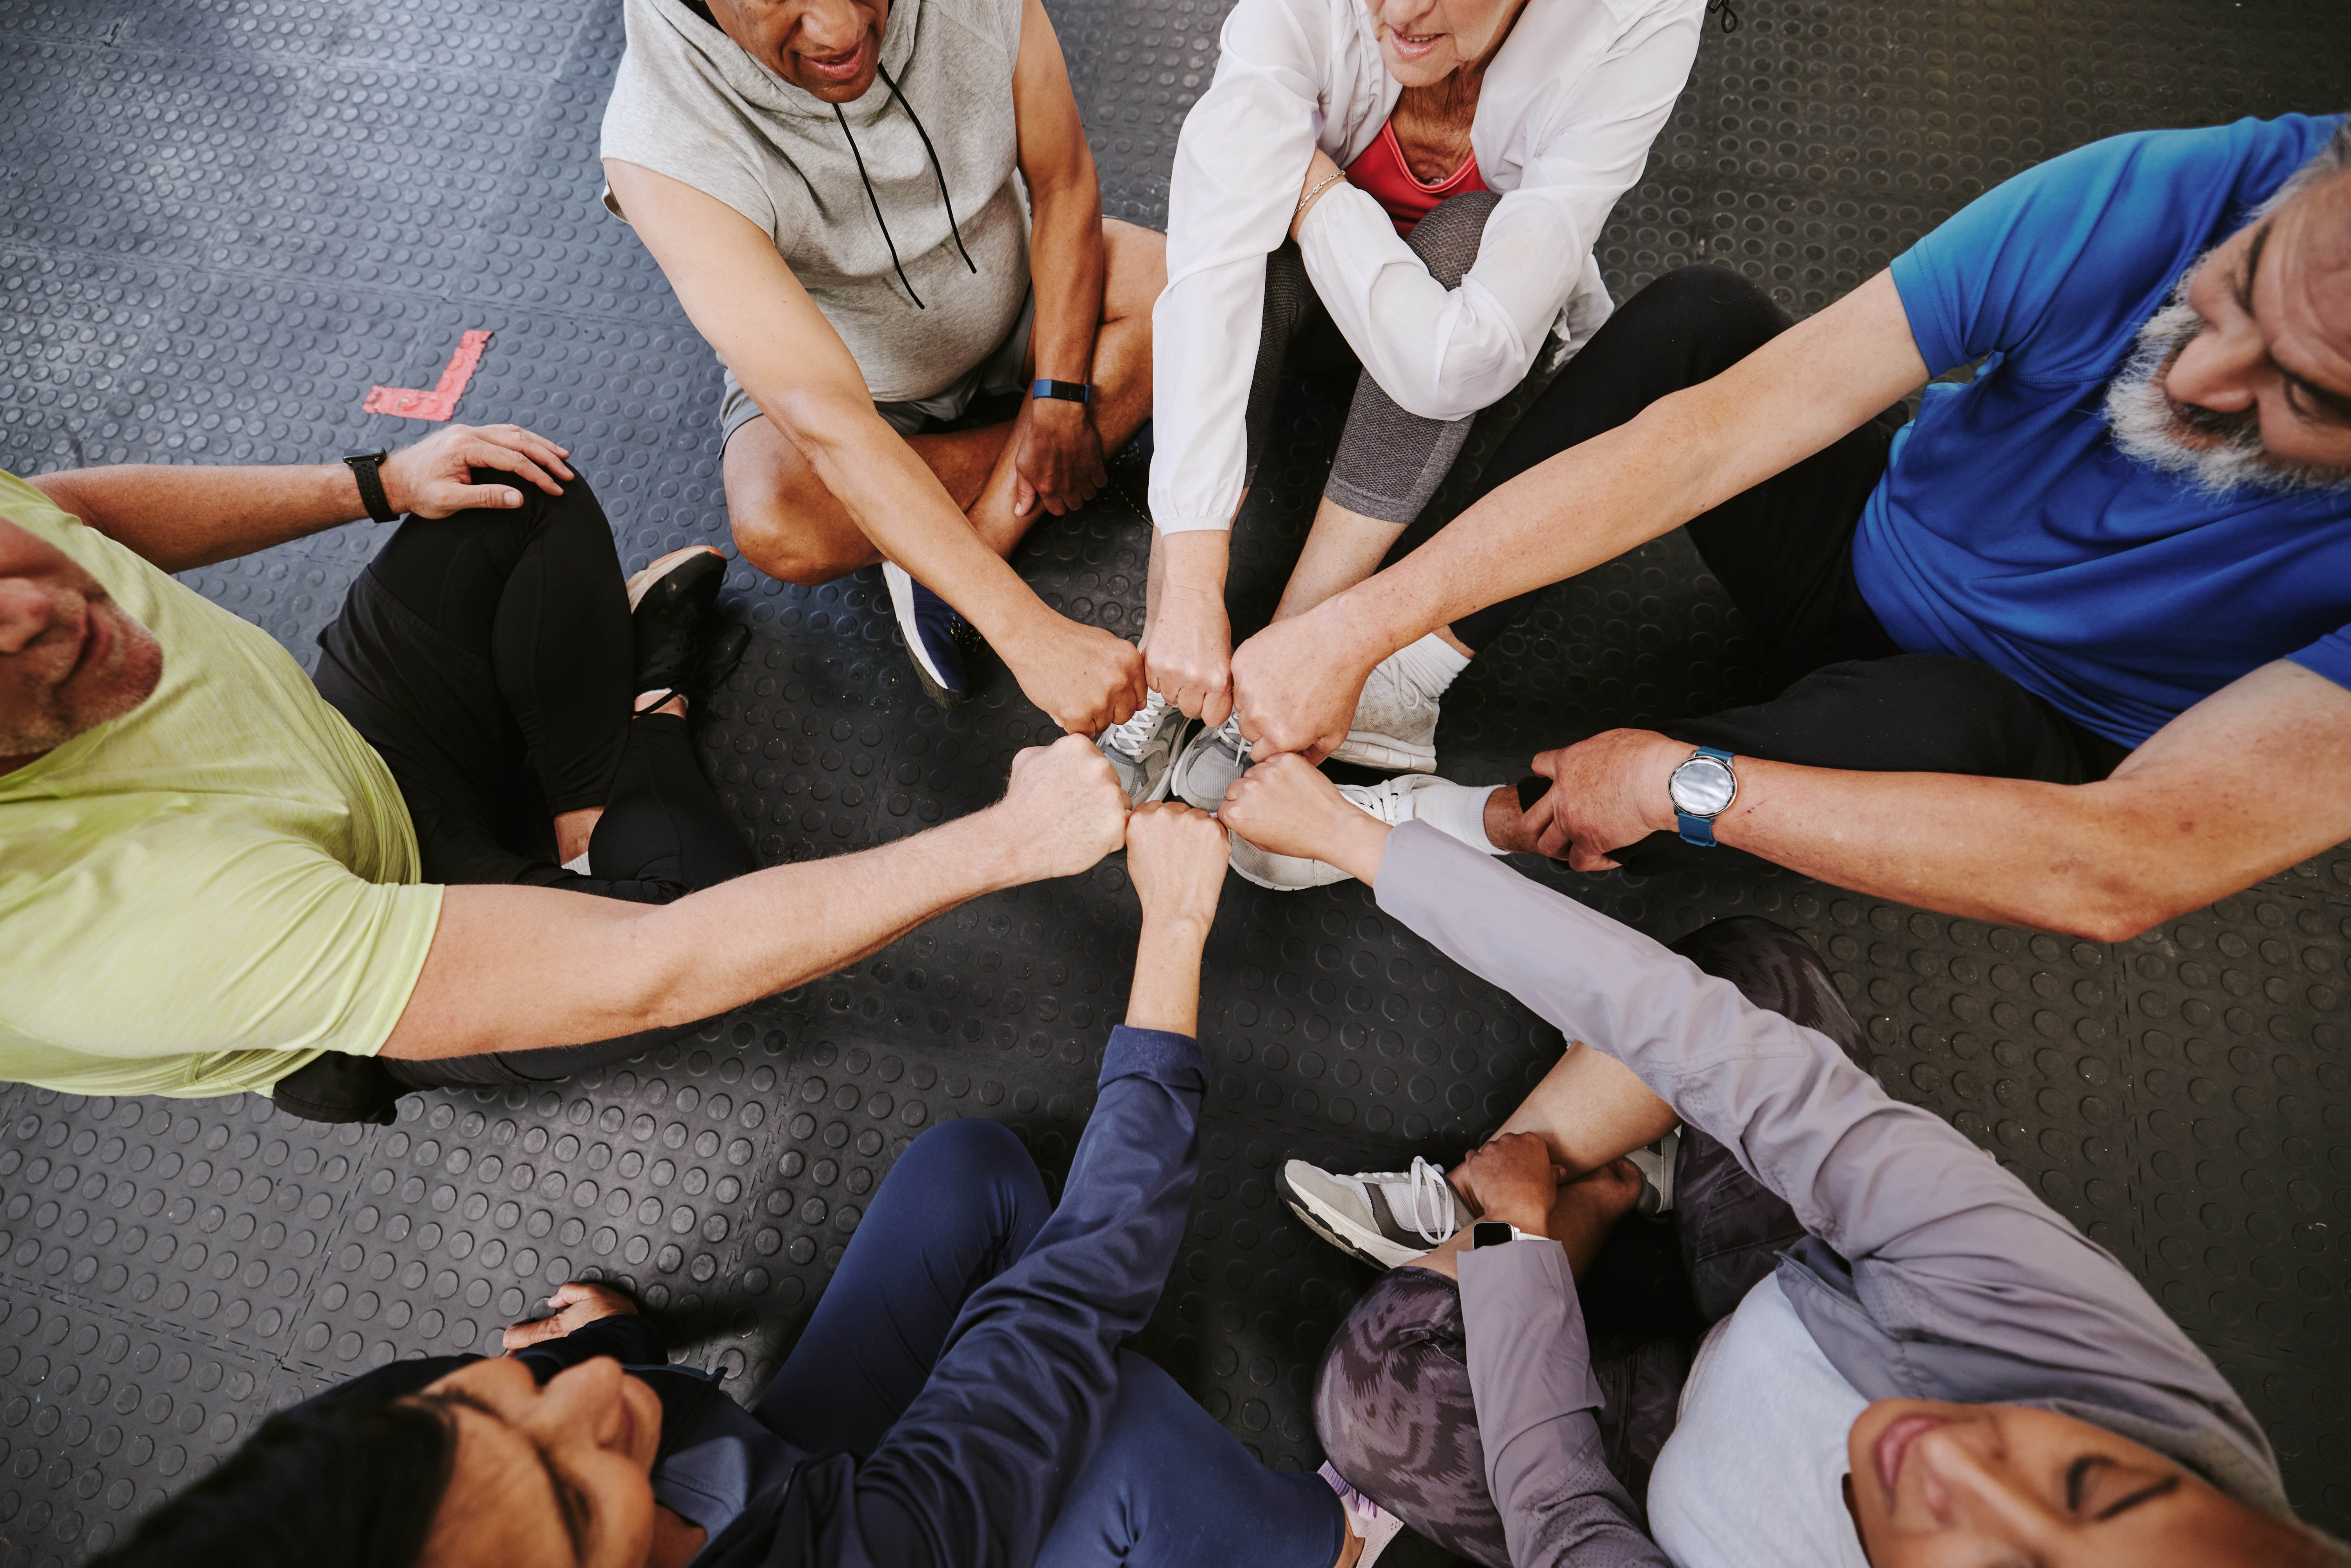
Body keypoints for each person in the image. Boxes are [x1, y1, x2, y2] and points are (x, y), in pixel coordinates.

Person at [83, 802, 1409, 1568]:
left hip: (769, 1493)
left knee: (969, 1174)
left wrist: (609, 1355)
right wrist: (1174, 929)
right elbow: (1064, 1314)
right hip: (847, 1543)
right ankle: (1327, 1547)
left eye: (479, 1400)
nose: (592, 1392)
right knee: (1103, 1414)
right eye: (566, 1485)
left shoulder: (386, 1490)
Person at [1220, 112, 2351, 939]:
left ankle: (1467, 823)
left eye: (2297, 390)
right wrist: (1356, 629)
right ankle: (1407, 677)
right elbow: (1707, 438)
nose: (2200, 368)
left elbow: (2126, 862)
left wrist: (1683, 783)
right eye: (2242, 283)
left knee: (1950, 721)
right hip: (1871, 542)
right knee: (1704, 322)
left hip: (2029, 715)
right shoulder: (2177, 192)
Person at [1219, 754, 2347, 1568]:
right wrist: (1362, 843)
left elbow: (1566, 1523)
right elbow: (1731, 1054)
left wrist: (1518, 1251)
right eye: (2090, 1478)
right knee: (1754, 990)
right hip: (1803, 1291)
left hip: (1656, 1478)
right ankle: (1506, 1196)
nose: (1954, 1458)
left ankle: (1525, 1214)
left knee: (1374, 1403)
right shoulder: (2071, 1330)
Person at [0, 427, 1132, 1122]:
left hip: (344, 752)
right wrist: (1011, 837)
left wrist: (378, 480)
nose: (39, 606)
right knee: (698, 923)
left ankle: (585, 802)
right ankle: (648, 716)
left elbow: (69, 511)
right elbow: (654, 968)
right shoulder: (62, 930)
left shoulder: (29, 574)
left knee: (512, 483)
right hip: (369, 934)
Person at [1095, 0, 1705, 813]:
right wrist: (1192, 592)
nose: (1407, 10)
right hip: (1317, 297)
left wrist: (1314, 190)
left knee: (1462, 234)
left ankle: (1284, 658)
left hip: (1463, 345)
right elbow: (1208, 278)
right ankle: (1168, 658)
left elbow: (1458, 360)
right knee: (1251, 239)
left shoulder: (1638, 20)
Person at [600, 0, 1158, 727]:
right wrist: (1029, 633)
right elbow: (828, 421)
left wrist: (1058, 396)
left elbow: (1064, 184)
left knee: (1194, 298)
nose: (840, 31)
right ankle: (1006, 487)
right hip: (853, 384)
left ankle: (956, 547)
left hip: (1013, 288)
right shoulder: (660, 142)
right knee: (778, 524)